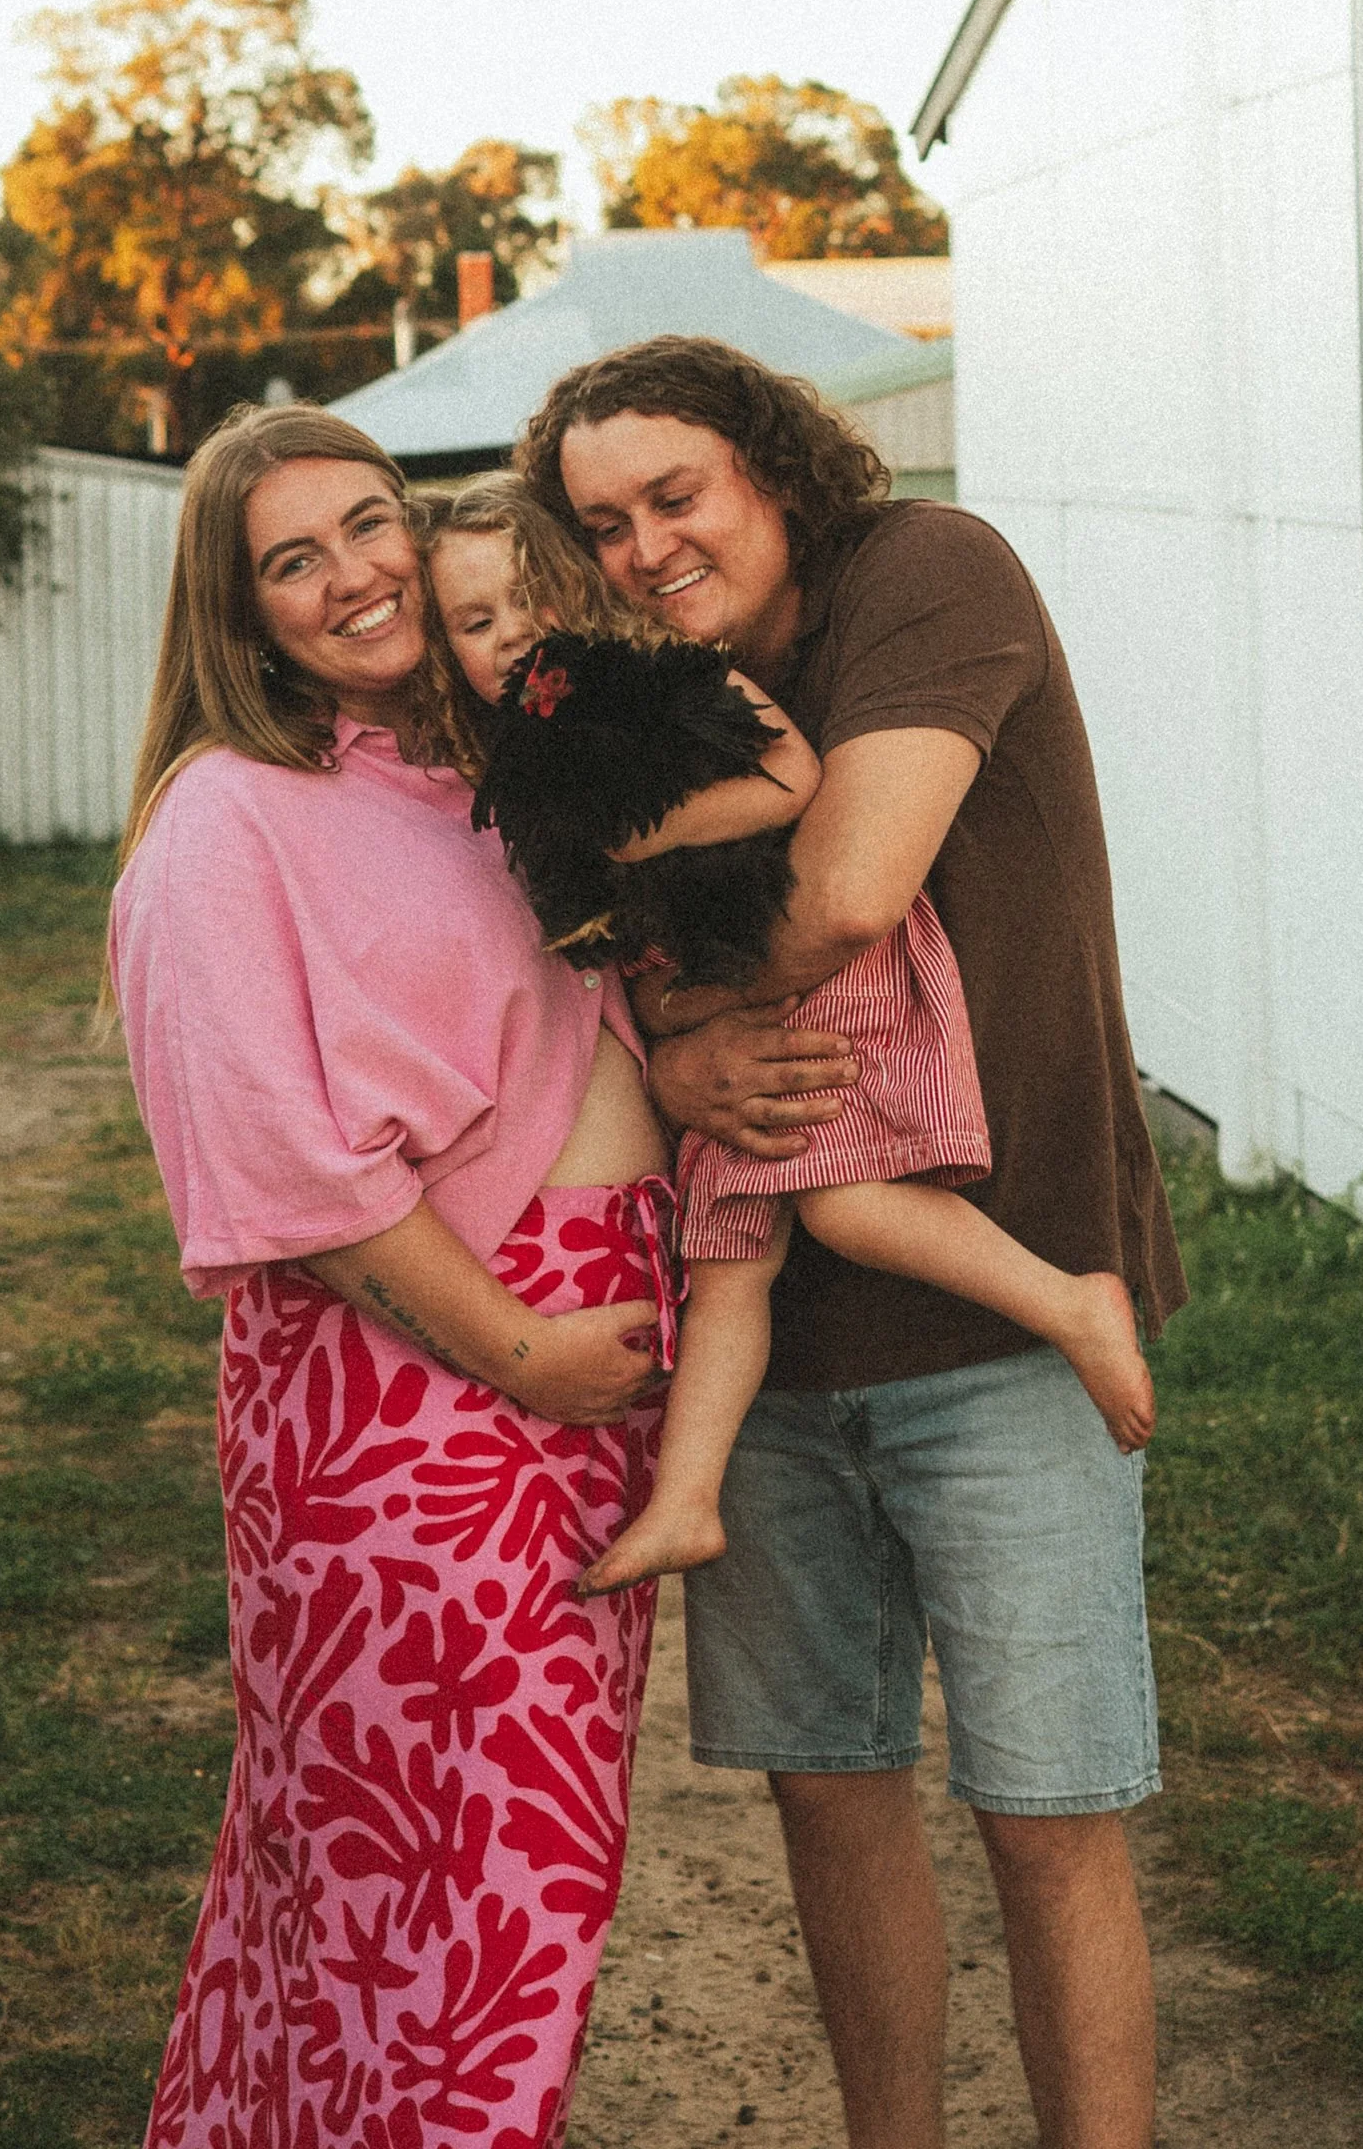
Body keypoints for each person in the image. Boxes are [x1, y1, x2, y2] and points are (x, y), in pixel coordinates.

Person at [512, 342, 1231, 2149]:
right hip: (772, 1326)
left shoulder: (926, 569)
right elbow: (559, 951)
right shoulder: (637, 688)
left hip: (993, 1315)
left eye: (677, 492)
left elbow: (837, 885)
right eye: (608, 519)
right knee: (831, 1797)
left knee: (1045, 1814)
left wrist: (681, 1028)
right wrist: (670, 1047)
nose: (649, 543)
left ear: (774, 471)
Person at [107, 406, 674, 2149]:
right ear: (230, 604)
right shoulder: (222, 826)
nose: (352, 574)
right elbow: (295, 1175)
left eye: (368, 524)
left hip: (552, 1399)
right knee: (430, 1903)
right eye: (292, 556)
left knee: (421, 1900)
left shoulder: (458, 779)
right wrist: (524, 1340)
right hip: (416, 1408)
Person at [428, 516, 1154, 1597]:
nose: (508, 641)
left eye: (525, 607)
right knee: (728, 1268)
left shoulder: (668, 680)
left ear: (579, 600)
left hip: (816, 960)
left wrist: (638, 836)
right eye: (473, 624)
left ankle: (1070, 1303)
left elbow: (790, 778)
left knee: (844, 1206)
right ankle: (686, 1503)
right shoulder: (524, 770)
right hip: (717, 991)